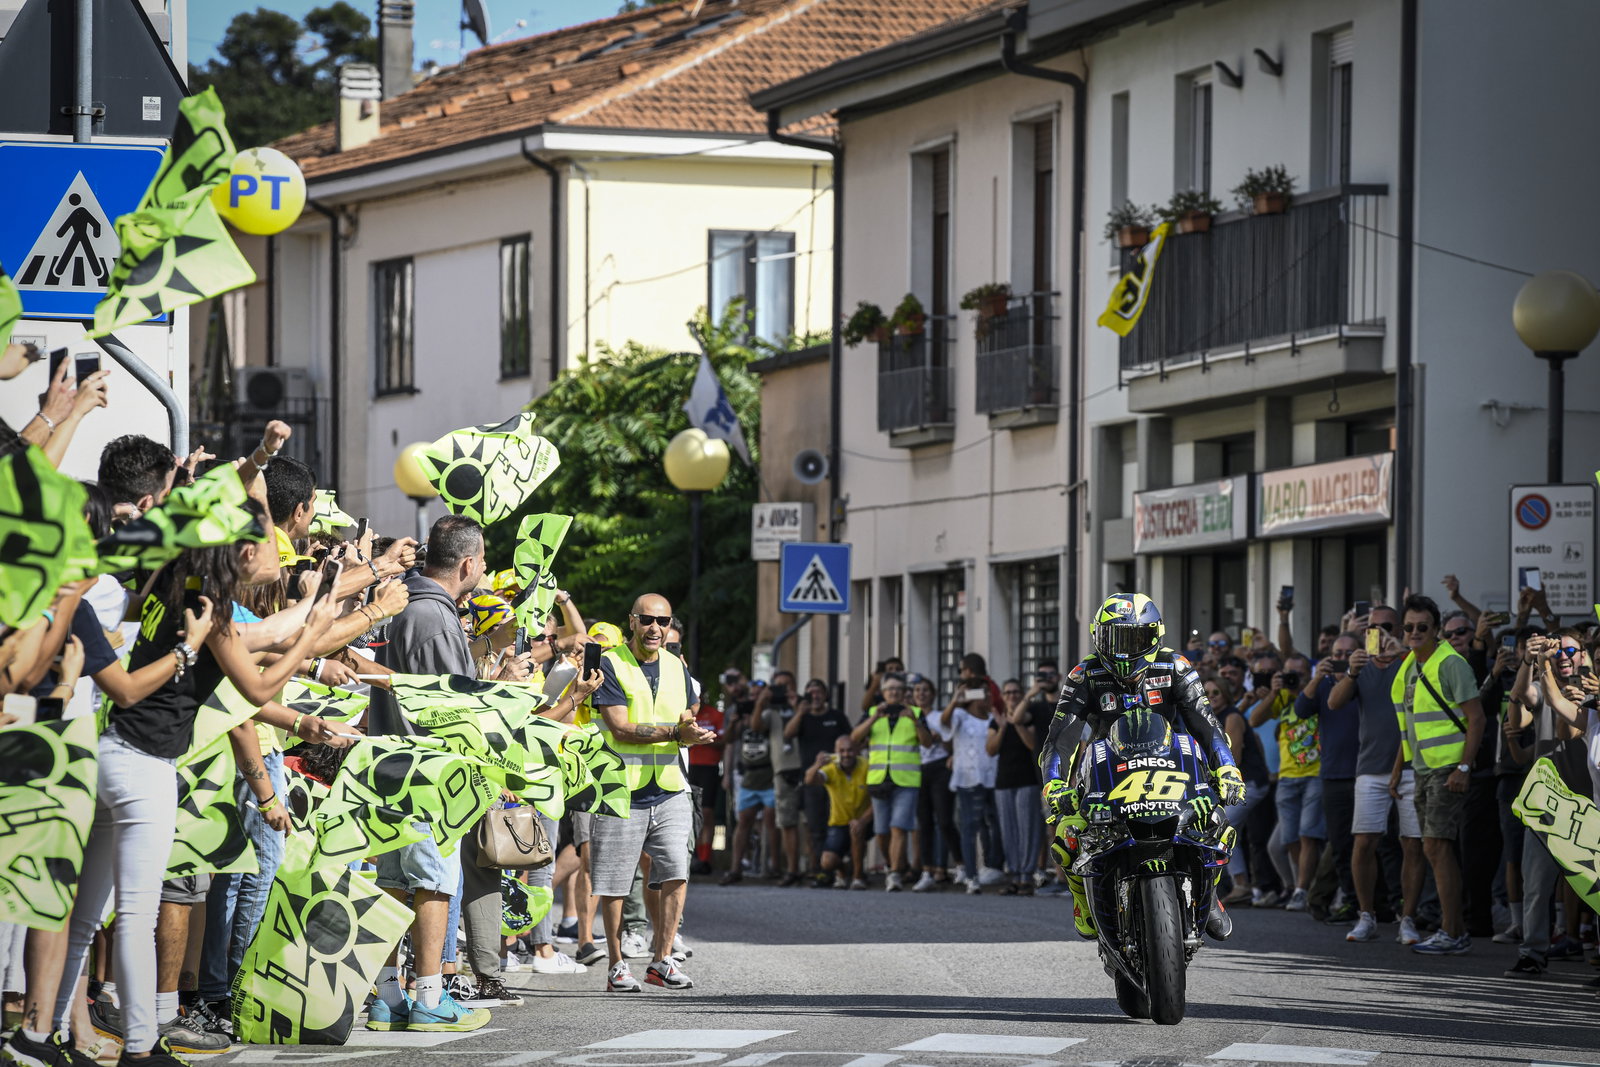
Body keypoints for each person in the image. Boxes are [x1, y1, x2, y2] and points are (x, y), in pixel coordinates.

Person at [367, 515, 508, 1032]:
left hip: (387, 766)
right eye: (485, 560)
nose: (485, 568)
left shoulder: (403, 601)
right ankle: (429, 997)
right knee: (432, 883)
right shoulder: (434, 615)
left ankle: (386, 998)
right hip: (427, 773)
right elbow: (454, 704)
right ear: (468, 563)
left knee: (392, 884)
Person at [1040, 594, 1242, 940]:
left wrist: (1227, 770)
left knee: (1216, 821)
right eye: (1114, 639)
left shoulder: (1175, 666)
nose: (1123, 650)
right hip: (1107, 772)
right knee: (1067, 835)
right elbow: (1060, 738)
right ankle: (1083, 902)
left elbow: (1207, 725)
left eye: (1134, 639)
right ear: (1097, 636)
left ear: (1155, 636)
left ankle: (1209, 894)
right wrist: (1055, 785)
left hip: (1169, 765)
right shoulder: (1084, 674)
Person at [589, 594, 715, 992]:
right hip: (621, 786)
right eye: (646, 620)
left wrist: (691, 730)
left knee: (677, 869)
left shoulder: (678, 666)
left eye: (662, 621)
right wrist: (677, 734)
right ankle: (616, 964)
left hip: (671, 786)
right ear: (632, 622)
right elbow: (621, 727)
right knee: (614, 880)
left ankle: (661, 960)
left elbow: (686, 713)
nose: (655, 628)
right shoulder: (611, 664)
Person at [1390, 594, 1485, 955]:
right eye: (1409, 627)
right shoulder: (1410, 667)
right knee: (1432, 849)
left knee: (1436, 847)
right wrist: (1399, 769)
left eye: (1422, 627)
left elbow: (1476, 718)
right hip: (1424, 768)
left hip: (1448, 768)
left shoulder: (1450, 663)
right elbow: (1409, 727)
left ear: (1436, 629)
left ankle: (1452, 931)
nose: (1415, 632)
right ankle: (1454, 931)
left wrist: (1464, 766)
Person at [1327, 605, 1422, 945]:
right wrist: (1350, 674)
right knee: (1364, 842)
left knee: (1411, 843)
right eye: (1374, 626)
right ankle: (1366, 916)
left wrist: (1404, 654)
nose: (1381, 632)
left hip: (1412, 765)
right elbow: (1334, 703)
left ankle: (1407, 918)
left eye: (1388, 626)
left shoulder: (1410, 661)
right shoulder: (1361, 664)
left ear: (1400, 629)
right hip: (1369, 767)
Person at [1249, 653, 1321, 913]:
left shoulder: (1316, 694)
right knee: (1289, 838)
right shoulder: (1282, 698)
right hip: (1287, 777)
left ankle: (1302, 890)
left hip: (1315, 775)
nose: (1293, 679)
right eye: (1288, 673)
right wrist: (1274, 692)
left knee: (1307, 834)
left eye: (1298, 674)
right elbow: (1255, 720)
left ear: (1309, 674)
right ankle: (1302, 887)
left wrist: (1307, 686)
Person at [849, 673, 933, 891]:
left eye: (898, 689)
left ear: (904, 692)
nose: (894, 693)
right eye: (890, 689)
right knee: (881, 831)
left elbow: (927, 742)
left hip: (906, 780)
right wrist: (873, 718)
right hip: (879, 779)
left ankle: (894, 875)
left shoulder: (914, 712)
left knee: (899, 827)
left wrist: (914, 722)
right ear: (883, 693)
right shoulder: (872, 713)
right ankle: (893, 865)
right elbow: (854, 738)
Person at [788, 679, 852, 885]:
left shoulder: (837, 716)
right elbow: (788, 734)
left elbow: (849, 741)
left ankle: (842, 868)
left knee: (838, 824)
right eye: (810, 693)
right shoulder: (803, 718)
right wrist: (799, 712)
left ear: (826, 695)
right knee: (815, 827)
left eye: (818, 693)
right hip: (812, 779)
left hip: (837, 779)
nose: (814, 697)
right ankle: (820, 870)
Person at [988, 675, 1041, 895]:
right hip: (1004, 782)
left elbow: (1032, 745)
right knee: (1008, 830)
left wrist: (1015, 723)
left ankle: (1027, 876)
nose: (1012, 696)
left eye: (1016, 693)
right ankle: (1014, 875)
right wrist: (1002, 727)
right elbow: (990, 750)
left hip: (1026, 781)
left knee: (1027, 829)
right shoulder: (996, 721)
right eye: (1008, 693)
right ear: (1003, 696)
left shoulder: (1028, 718)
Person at [909, 674, 958, 891]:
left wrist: (941, 739)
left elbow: (950, 746)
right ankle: (927, 870)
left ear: (933, 694)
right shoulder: (908, 717)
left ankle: (959, 865)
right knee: (924, 823)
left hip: (939, 768)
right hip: (917, 770)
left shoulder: (939, 716)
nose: (921, 694)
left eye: (925, 690)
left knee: (945, 820)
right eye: (918, 690)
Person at [803, 737, 872, 887]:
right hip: (839, 822)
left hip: (865, 820)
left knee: (857, 829)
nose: (846, 754)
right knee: (827, 862)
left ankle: (858, 877)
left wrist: (863, 820)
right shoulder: (831, 767)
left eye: (850, 750)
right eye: (842, 751)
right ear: (836, 752)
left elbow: (877, 800)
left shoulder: (867, 766)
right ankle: (844, 869)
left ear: (857, 751)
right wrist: (817, 765)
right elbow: (809, 780)